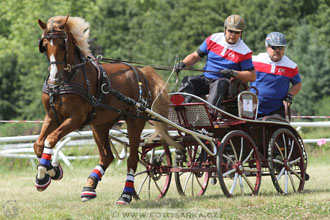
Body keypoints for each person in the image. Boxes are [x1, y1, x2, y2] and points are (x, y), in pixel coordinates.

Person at [174, 14, 256, 111]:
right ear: (225, 29)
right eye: (230, 31)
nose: (233, 35)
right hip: (206, 79)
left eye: (236, 32)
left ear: (241, 33)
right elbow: (195, 56)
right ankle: (179, 108)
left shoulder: (244, 51)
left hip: (225, 84)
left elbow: (252, 76)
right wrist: (183, 64)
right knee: (189, 81)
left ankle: (210, 113)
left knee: (220, 83)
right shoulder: (213, 39)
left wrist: (234, 73)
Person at [250, 32, 301, 118]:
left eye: (280, 47)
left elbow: (297, 84)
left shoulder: (291, 66)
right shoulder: (255, 60)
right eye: (274, 47)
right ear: (267, 47)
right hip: (253, 106)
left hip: (276, 109)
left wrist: (290, 95)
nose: (277, 50)